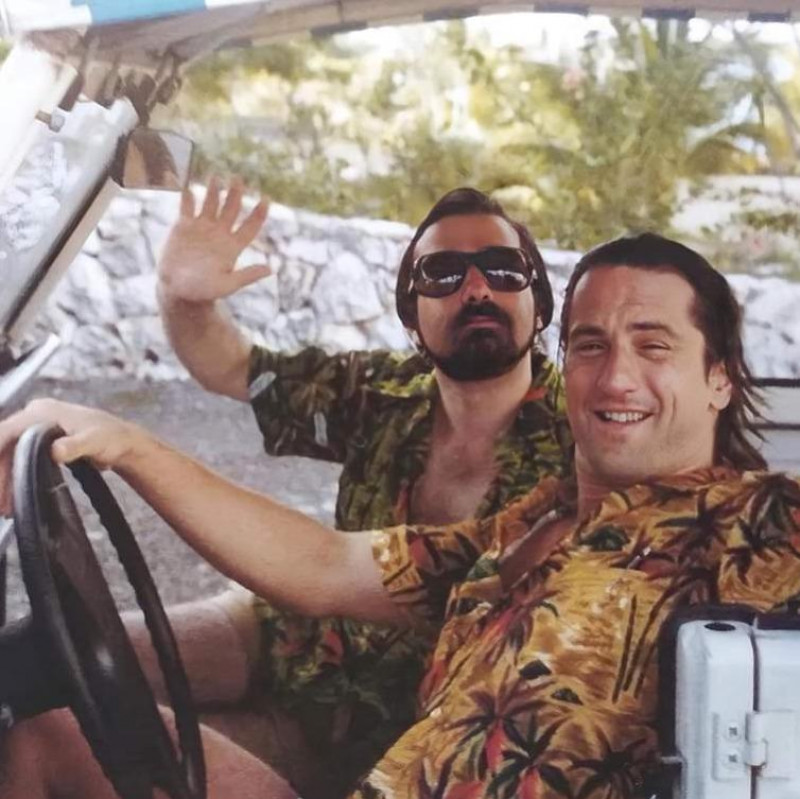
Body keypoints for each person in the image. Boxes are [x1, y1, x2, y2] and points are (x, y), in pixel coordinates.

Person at [3, 232, 798, 799]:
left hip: (339, 724)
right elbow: (326, 565)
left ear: (720, 377)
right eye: (590, 345)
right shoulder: (532, 525)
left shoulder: (750, 520)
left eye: (654, 346)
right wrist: (128, 446)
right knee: (45, 729)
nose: (616, 375)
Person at [140, 179, 572, 794]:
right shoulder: (380, 394)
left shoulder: (582, 446)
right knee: (59, 658)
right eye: (443, 274)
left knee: (91, 741)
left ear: (540, 304)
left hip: (383, 729)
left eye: (504, 269)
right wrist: (182, 299)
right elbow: (233, 366)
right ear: (412, 321)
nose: (477, 289)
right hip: (293, 635)